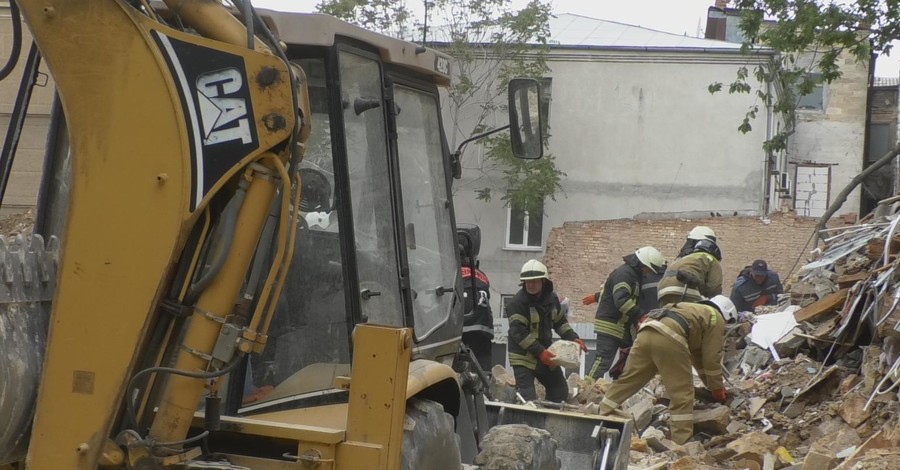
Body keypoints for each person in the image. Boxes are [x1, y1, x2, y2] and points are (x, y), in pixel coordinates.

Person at [595, 295, 736, 444]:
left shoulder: (692, 309)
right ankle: (681, 443)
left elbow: (699, 359)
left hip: (646, 333)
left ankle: (599, 413)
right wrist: (717, 388)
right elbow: (711, 359)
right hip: (670, 338)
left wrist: (710, 385)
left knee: (629, 380)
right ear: (727, 314)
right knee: (682, 394)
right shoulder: (717, 318)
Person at [507, 259, 587, 402]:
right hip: (523, 357)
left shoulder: (551, 299)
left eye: (534, 281)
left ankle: (548, 420)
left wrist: (573, 338)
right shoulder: (516, 304)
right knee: (527, 397)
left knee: (560, 391)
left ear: (543, 281)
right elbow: (519, 334)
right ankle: (521, 420)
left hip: (545, 353)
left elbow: (560, 322)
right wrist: (541, 352)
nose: (530, 285)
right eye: (527, 281)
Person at [582, 246, 667, 381]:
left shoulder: (632, 274)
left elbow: (610, 292)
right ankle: (585, 388)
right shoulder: (625, 273)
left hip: (621, 326)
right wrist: (641, 316)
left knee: (633, 356)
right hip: (611, 326)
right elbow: (621, 300)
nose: (648, 272)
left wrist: (597, 296)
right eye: (648, 268)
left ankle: (620, 382)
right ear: (641, 264)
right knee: (603, 360)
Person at [458, 225, 494, 372]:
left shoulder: (450, 274)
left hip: (460, 328)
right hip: (483, 327)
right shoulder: (481, 276)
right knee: (482, 370)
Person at [657, 226, 723, 306]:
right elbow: (714, 288)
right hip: (686, 291)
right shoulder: (710, 259)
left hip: (662, 292)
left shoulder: (680, 259)